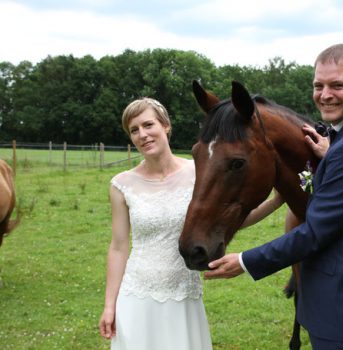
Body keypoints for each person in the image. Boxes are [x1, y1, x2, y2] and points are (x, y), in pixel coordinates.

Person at [204, 43, 343, 349]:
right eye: (318, 85)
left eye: (337, 85)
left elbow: (313, 233)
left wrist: (245, 261)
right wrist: (330, 152)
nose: (325, 95)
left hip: (342, 310)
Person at [98, 97, 283, 350]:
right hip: (136, 295)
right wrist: (110, 305)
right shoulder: (121, 185)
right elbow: (118, 247)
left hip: (183, 297)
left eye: (148, 124)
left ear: (165, 126)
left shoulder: (198, 171)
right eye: (134, 130)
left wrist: (277, 201)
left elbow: (227, 221)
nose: (143, 134)